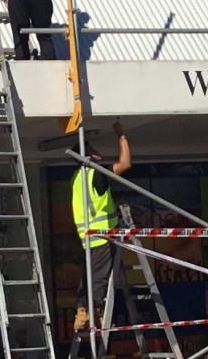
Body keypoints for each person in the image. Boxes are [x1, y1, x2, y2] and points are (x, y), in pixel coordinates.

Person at [72, 122, 133, 333]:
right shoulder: (95, 174)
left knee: (89, 276)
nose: (98, 152)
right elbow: (125, 164)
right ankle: (90, 313)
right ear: (88, 156)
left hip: (88, 237)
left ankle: (83, 310)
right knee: (98, 279)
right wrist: (121, 135)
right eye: (93, 149)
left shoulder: (77, 178)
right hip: (102, 236)